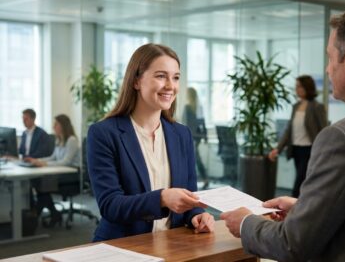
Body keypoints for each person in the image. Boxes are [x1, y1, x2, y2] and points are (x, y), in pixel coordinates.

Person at [221, 6, 345, 261]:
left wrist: (247, 223)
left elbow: (293, 244)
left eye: (329, 57)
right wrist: (306, 209)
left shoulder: (343, 138)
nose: (327, 69)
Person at [87, 43, 215, 242]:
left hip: (173, 246)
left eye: (176, 77)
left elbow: (191, 196)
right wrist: (162, 198)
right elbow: (110, 205)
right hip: (123, 247)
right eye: (161, 76)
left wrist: (197, 215)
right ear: (137, 81)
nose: (170, 86)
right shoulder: (104, 133)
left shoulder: (182, 135)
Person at [268, 75, 327, 197]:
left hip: (309, 150)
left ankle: (293, 207)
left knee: (299, 182)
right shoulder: (296, 106)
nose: (297, 89)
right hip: (296, 149)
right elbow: (289, 130)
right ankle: (301, 207)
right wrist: (278, 149)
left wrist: (324, 151)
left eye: (299, 86)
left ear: (307, 87)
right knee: (302, 180)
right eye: (296, 86)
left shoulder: (317, 107)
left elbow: (324, 131)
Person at [25, 114, 80, 227]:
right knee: (37, 182)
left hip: (72, 176)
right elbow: (53, 157)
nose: (53, 127)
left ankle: (37, 214)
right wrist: (36, 160)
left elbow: (66, 162)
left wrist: (44, 164)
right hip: (61, 173)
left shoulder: (71, 140)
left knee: (41, 184)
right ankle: (51, 213)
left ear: (63, 126)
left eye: (56, 124)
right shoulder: (59, 139)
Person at [182, 87, 209, 189]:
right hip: (197, 137)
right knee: (195, 158)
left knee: (193, 159)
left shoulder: (187, 107)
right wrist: (205, 137)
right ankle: (204, 178)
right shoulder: (199, 108)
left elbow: (184, 123)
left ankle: (193, 181)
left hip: (190, 137)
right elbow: (203, 124)